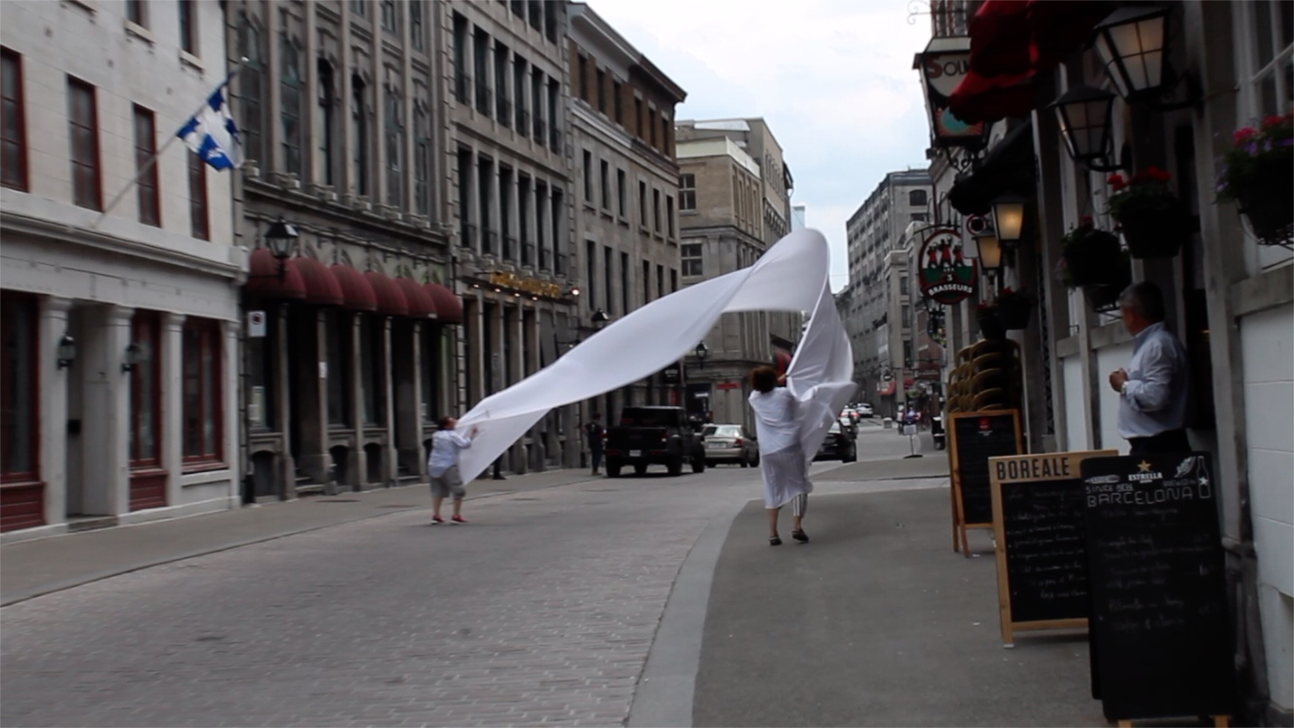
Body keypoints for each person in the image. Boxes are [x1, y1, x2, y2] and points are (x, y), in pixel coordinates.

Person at [1107, 281, 1190, 455]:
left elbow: (1155, 397)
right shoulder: (1152, 344)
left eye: (1123, 315)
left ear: (1131, 314)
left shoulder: (1157, 346)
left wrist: (1123, 385)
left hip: (1159, 445)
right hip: (1152, 444)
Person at [748, 365, 810, 546]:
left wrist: (778, 380)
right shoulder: (784, 394)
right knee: (799, 485)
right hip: (790, 445)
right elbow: (801, 404)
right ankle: (797, 526)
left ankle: (773, 533)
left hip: (767, 450)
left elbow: (764, 388)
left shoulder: (754, 398)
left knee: (772, 488)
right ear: (773, 380)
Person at [427, 415, 479, 524]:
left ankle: (436, 514)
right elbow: (465, 445)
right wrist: (472, 434)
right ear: (447, 425)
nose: (455, 423)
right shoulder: (452, 435)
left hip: (433, 464)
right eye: (452, 422)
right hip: (448, 464)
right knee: (458, 490)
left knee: (437, 490)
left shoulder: (436, 435)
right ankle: (456, 515)